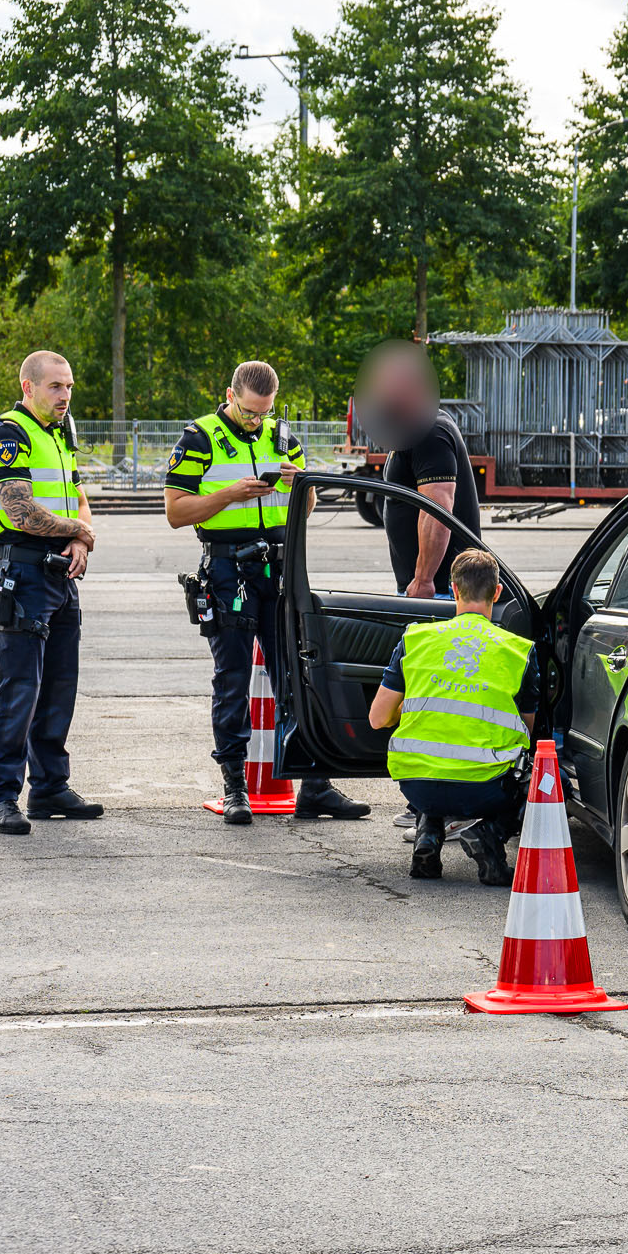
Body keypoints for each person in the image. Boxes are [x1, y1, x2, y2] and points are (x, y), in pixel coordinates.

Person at [164, 361, 369, 824]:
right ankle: (235, 786)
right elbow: (176, 512)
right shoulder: (199, 437)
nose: (257, 420)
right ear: (231, 395)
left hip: (279, 568)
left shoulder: (283, 436)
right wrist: (229, 496)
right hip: (226, 569)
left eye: (265, 412)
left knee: (299, 676)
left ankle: (315, 784)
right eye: (250, 412)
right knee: (232, 679)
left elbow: (309, 507)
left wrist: (302, 488)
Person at [0, 350, 102, 835]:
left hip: (61, 574)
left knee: (59, 687)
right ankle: (2, 797)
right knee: (18, 690)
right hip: (23, 575)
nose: (65, 395)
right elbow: (19, 513)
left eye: (69, 386)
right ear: (28, 387)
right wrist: (80, 532)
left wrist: (77, 536)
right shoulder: (9, 434)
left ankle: (49, 787)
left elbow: (77, 496)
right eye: (56, 387)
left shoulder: (59, 433)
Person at [369, 550, 537, 885]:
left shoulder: (415, 639)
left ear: (454, 590)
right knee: (540, 777)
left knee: (437, 766)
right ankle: (490, 833)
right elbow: (527, 733)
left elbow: (377, 718)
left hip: (418, 786)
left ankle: (428, 834)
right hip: (485, 790)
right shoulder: (517, 651)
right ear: (498, 592)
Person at [383, 408, 482, 599]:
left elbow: (437, 513)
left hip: (436, 592)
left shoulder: (428, 431)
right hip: (430, 590)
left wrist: (423, 579)